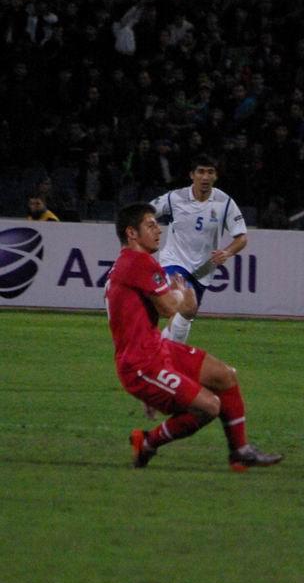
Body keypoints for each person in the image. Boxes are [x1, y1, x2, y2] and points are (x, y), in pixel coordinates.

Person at [105, 202, 282, 471]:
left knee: (224, 376)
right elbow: (168, 308)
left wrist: (179, 300)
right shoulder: (138, 262)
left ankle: (241, 451)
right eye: (150, 225)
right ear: (131, 233)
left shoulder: (130, 263)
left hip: (155, 349)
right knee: (209, 406)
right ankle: (149, 442)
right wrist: (181, 296)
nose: (158, 230)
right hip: (141, 364)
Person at [149, 154, 248, 343]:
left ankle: (162, 350)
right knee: (180, 303)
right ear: (192, 175)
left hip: (203, 270)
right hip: (174, 262)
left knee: (185, 317)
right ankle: (161, 351)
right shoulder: (175, 198)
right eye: (201, 172)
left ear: (216, 176)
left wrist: (227, 252)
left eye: (210, 172)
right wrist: (149, 229)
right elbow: (147, 212)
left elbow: (242, 238)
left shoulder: (224, 202)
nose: (205, 177)